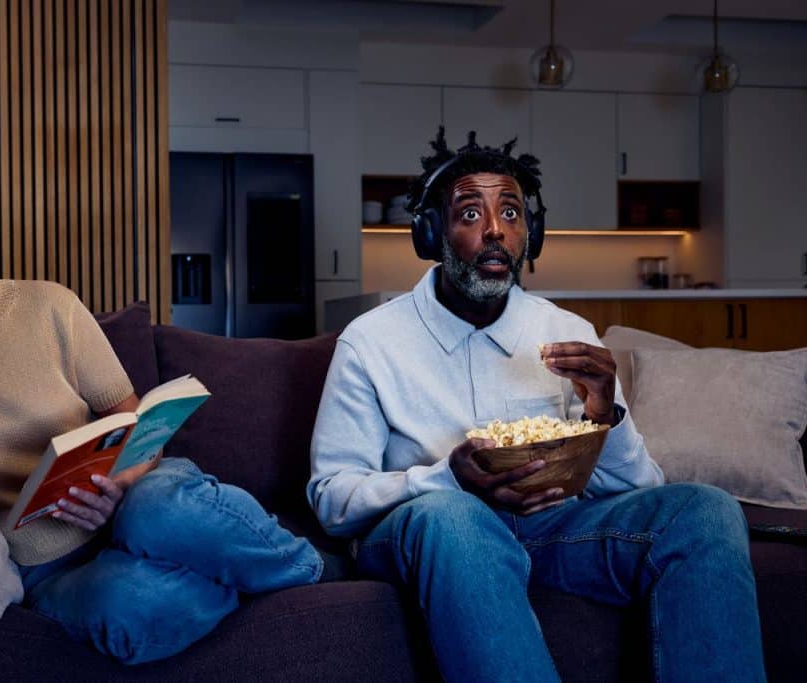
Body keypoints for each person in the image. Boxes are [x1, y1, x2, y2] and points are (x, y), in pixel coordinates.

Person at [0, 157, 331, 665]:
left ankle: (305, 570)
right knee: (127, 610)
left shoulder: (48, 305)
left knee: (160, 513)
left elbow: (133, 417)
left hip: (138, 497)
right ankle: (228, 569)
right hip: (50, 565)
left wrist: (122, 481)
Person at [308, 128, 765, 682]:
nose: (497, 231)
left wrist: (602, 416)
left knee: (704, 510)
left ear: (534, 233)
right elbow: (331, 497)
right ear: (430, 234)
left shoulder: (566, 331)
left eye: (513, 214)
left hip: (551, 532)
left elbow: (642, 489)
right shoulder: (370, 342)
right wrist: (446, 480)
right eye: (471, 215)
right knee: (454, 516)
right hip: (429, 529)